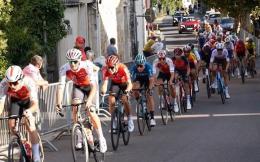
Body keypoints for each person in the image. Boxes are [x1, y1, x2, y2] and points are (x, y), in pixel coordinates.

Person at [56, 48, 107, 152]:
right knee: (75, 107)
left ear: (79, 60)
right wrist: (58, 103)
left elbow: (94, 87)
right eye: (70, 62)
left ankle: (101, 138)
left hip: (90, 88)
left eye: (75, 62)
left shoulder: (87, 65)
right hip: (78, 87)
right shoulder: (64, 68)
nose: (72, 64)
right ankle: (79, 135)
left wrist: (89, 101)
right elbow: (61, 87)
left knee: (91, 111)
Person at [0, 65, 41, 162]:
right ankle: (22, 143)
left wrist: (29, 111)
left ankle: (36, 155)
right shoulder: (3, 84)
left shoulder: (29, 82)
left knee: (30, 125)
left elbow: (35, 104)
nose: (12, 86)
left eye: (15, 83)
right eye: (10, 83)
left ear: (21, 79)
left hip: (29, 102)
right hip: (16, 101)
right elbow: (1, 103)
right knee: (12, 125)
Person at [101, 55, 134, 132]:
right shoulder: (106, 70)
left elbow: (130, 83)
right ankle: (114, 121)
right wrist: (103, 91)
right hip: (115, 84)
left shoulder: (123, 68)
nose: (110, 70)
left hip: (124, 84)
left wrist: (127, 91)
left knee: (124, 99)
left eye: (112, 67)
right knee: (111, 100)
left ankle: (129, 119)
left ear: (116, 65)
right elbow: (105, 84)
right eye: (108, 67)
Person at [130, 53, 156, 126]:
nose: (139, 68)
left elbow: (151, 81)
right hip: (139, 80)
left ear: (144, 64)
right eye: (137, 66)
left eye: (141, 66)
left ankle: (152, 118)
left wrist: (150, 89)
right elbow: (130, 81)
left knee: (149, 96)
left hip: (148, 80)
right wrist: (130, 89)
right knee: (135, 88)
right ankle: (140, 103)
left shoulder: (148, 67)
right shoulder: (133, 68)